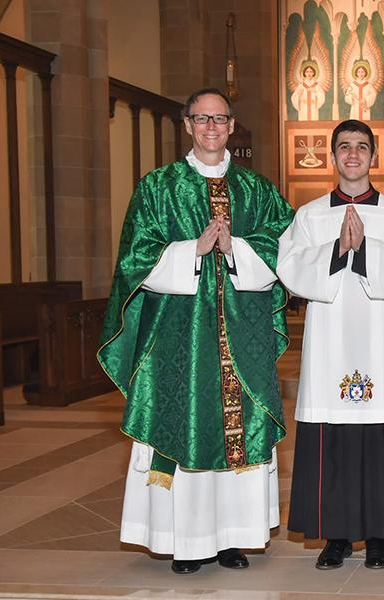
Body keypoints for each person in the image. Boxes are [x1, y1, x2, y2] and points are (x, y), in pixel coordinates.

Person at [98, 88, 294, 574]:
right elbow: (134, 258)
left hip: (241, 338)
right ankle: (186, 542)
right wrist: (192, 250)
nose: (211, 127)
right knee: (184, 422)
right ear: (187, 124)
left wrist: (237, 249)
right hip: (176, 338)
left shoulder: (257, 190)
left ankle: (232, 538)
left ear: (231, 125)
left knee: (237, 428)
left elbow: (285, 246)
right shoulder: (157, 188)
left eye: (220, 119)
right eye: (202, 118)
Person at [278, 119, 384, 571]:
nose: (353, 155)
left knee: (379, 439)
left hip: (382, 348)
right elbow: (291, 270)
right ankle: (336, 536)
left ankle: (379, 536)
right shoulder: (309, 216)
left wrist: (366, 249)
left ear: (374, 156)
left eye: (362, 147)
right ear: (333, 156)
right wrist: (337, 251)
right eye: (344, 147)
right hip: (330, 349)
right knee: (335, 441)